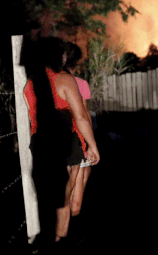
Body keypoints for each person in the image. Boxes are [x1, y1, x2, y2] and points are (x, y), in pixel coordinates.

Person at [23, 37, 100, 245]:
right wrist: (92, 145)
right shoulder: (65, 79)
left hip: (39, 144)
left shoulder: (30, 82)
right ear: (61, 56)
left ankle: (49, 238)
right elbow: (82, 116)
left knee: (47, 196)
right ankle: (59, 241)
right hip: (65, 142)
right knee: (64, 197)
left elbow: (31, 117)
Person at [64, 41, 94, 217]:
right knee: (80, 177)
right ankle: (68, 229)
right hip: (76, 140)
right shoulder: (80, 83)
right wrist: (92, 143)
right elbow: (84, 115)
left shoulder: (49, 82)